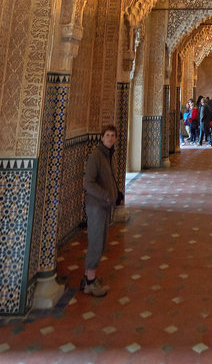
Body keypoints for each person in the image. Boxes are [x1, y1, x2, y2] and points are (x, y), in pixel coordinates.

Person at [82, 124, 120, 296]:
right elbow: (88, 183)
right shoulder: (96, 156)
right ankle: (90, 282)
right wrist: (106, 195)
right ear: (101, 137)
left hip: (103, 205)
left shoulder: (108, 155)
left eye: (113, 135)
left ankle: (87, 278)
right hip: (96, 206)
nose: (110, 138)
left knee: (100, 241)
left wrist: (116, 193)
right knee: (96, 243)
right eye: (107, 135)